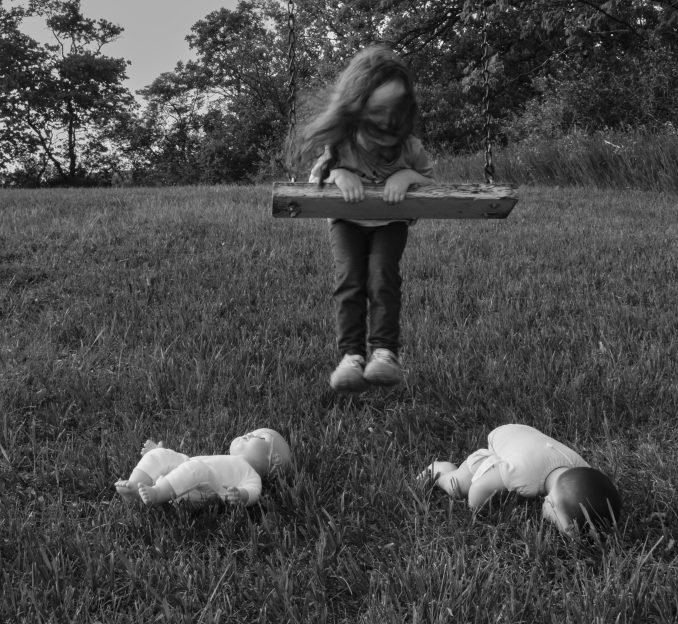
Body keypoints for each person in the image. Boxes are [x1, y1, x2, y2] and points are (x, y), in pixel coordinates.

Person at [295, 44, 434, 393]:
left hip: (390, 223)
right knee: (350, 280)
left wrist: (407, 177)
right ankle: (351, 358)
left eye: (394, 112)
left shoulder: (409, 148)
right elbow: (315, 182)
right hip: (346, 222)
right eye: (377, 112)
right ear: (356, 109)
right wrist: (337, 175)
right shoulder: (342, 144)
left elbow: (433, 185)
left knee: (382, 277)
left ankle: (385, 353)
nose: (386, 121)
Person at [419, 423, 622, 534]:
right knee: (460, 486)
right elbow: (478, 490)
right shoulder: (523, 475)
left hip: (526, 436)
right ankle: (439, 471)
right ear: (549, 502)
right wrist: (479, 510)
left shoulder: (581, 468)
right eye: (558, 524)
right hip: (503, 441)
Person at [114, 428, 291, 508]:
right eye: (253, 431)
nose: (250, 433)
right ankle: (135, 485)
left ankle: (157, 493)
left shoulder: (252, 474)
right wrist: (162, 453)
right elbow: (188, 464)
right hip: (188, 470)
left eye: (261, 438)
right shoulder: (229, 458)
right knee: (163, 455)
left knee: (197, 468)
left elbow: (254, 492)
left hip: (202, 489)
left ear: (273, 459)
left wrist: (241, 495)